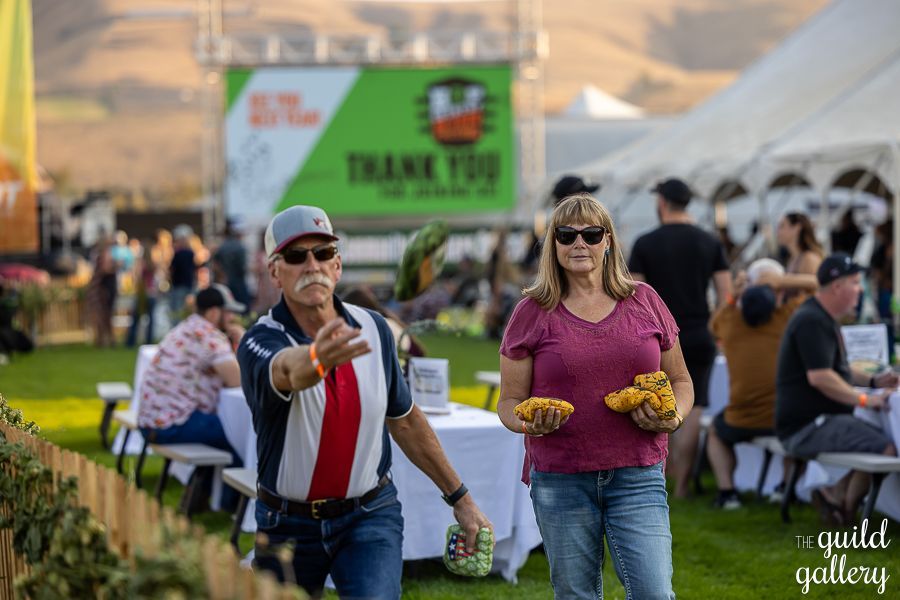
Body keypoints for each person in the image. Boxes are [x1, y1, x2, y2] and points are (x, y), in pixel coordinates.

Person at [236, 205, 492, 598]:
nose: (311, 265)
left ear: (337, 265)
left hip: (369, 516)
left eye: (322, 253)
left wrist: (462, 499)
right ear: (275, 271)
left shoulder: (374, 328)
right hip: (287, 522)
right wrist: (317, 357)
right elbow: (288, 371)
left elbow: (405, 420)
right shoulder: (261, 339)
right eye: (295, 256)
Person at [498, 192, 692, 599]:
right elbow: (508, 402)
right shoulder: (532, 311)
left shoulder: (644, 301)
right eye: (567, 235)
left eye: (591, 233)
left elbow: (680, 382)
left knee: (655, 592)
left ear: (608, 241)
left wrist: (672, 418)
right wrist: (526, 420)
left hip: (638, 473)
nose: (579, 243)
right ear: (553, 244)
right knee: (576, 595)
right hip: (561, 477)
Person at [775, 252, 898, 525]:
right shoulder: (812, 320)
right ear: (837, 286)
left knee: (880, 440)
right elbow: (820, 377)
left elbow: (837, 369)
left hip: (812, 421)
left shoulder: (818, 316)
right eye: (856, 282)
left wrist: (875, 382)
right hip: (807, 427)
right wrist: (865, 399)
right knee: (888, 449)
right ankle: (845, 507)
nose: (861, 289)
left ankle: (835, 495)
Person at [628, 177, 731, 498]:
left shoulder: (645, 243)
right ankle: (683, 484)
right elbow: (726, 295)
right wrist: (712, 326)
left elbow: (636, 299)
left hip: (656, 336)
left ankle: (660, 474)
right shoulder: (709, 241)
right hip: (699, 331)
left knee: (657, 401)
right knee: (695, 404)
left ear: (661, 203)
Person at [707, 259, 816, 509]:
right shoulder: (788, 318)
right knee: (803, 428)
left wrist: (734, 294)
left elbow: (713, 324)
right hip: (782, 418)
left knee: (715, 431)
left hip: (741, 418)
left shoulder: (730, 324)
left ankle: (727, 492)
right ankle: (783, 488)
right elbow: (817, 286)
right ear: (778, 294)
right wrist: (778, 281)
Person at [137, 283, 246, 507]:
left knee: (216, 433)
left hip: (151, 421)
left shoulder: (187, 328)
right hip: (169, 424)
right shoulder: (209, 336)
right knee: (236, 437)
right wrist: (242, 341)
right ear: (214, 312)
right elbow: (238, 380)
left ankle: (198, 496)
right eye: (229, 312)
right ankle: (230, 506)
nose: (233, 317)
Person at [775, 212, 824, 303]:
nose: (778, 231)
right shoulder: (793, 259)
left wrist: (779, 280)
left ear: (797, 228)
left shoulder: (809, 258)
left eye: (782, 226)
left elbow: (818, 283)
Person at [212, 219, 251, 310]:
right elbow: (242, 267)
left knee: (228, 309)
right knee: (243, 309)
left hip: (226, 282)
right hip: (239, 282)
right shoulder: (240, 247)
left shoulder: (221, 247)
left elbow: (215, 265)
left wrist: (222, 276)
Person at [169, 224, 198, 321]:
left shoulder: (180, 253)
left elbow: (172, 270)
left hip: (180, 286)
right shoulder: (190, 253)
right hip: (186, 285)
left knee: (178, 312)